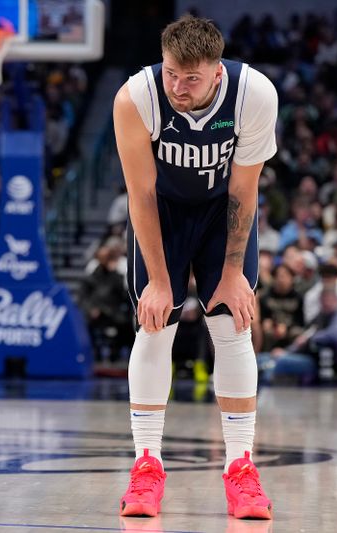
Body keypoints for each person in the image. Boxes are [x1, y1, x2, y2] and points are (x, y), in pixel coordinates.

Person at [113, 15, 277, 519]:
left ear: (217, 74)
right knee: (154, 325)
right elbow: (139, 193)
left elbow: (243, 191)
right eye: (170, 74)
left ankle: (242, 470)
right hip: (160, 211)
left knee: (232, 326)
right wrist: (160, 283)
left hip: (219, 212)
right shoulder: (135, 97)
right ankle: (146, 468)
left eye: (191, 78)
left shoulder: (254, 93)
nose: (178, 87)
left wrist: (232, 273)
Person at [257, 288, 337, 385]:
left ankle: (265, 392)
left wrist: (311, 338)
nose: (326, 303)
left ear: (336, 300)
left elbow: (335, 334)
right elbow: (302, 338)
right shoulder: (320, 317)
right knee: (262, 358)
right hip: (299, 353)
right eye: (324, 300)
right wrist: (286, 351)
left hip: (317, 363)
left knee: (276, 363)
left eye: (329, 300)